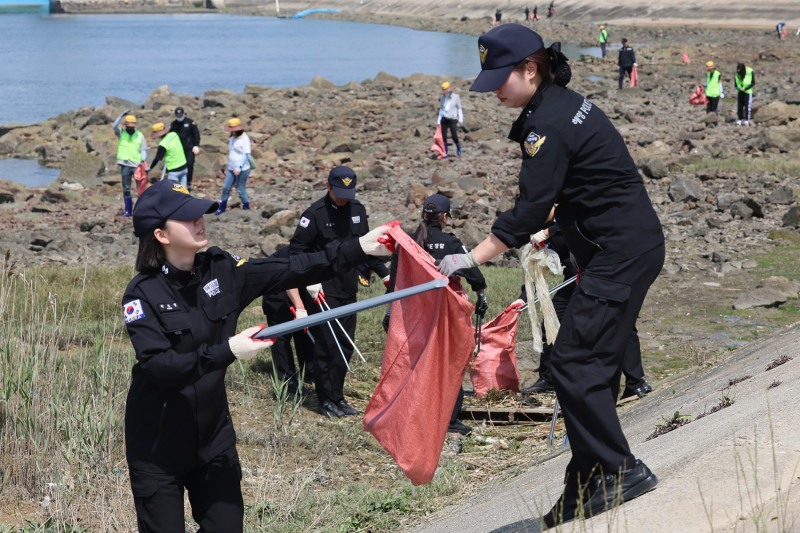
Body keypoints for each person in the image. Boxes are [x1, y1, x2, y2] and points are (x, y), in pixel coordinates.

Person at [437, 24, 664, 527]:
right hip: (626, 245)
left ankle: (619, 470)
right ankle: (587, 479)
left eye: (501, 78)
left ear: (530, 69)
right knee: (592, 367)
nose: (494, 88)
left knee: (573, 362)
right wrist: (556, 228)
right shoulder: (560, 103)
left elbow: (531, 207)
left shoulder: (548, 125)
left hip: (619, 254)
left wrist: (472, 257)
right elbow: (578, 188)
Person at [122, 179, 393, 531]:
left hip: (212, 439)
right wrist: (230, 349)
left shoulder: (221, 269)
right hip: (158, 445)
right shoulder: (141, 295)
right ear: (161, 235)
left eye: (200, 213)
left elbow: (292, 267)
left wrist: (360, 247)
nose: (200, 220)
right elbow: (160, 367)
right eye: (188, 218)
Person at [289, 166, 391, 418]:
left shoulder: (357, 210)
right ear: (328, 186)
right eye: (339, 192)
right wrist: (309, 279)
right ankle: (325, 399)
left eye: (349, 192)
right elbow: (296, 252)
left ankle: (338, 396)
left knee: (344, 344)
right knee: (326, 345)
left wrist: (385, 273)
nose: (344, 197)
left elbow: (366, 247)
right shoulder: (314, 214)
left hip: (347, 287)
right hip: (322, 289)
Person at [383, 193, 488, 435]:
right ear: (444, 216)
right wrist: (481, 293)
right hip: (445, 312)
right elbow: (471, 271)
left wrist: (390, 311)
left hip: (415, 312)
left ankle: (414, 414)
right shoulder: (451, 243)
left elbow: (395, 277)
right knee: (451, 362)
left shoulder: (408, 242)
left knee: (418, 362)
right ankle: (449, 421)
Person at [518, 224, 653, 400]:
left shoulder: (572, 213)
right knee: (552, 320)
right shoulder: (546, 228)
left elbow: (583, 224)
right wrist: (522, 299)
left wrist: (549, 232)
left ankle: (635, 382)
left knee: (621, 321)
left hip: (605, 275)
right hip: (574, 279)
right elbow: (537, 268)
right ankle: (549, 379)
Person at [261, 251, 315, 398]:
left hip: (299, 292)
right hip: (277, 296)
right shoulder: (293, 254)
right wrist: (299, 306)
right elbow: (289, 281)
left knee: (304, 333)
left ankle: (310, 373)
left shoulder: (318, 252)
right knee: (281, 339)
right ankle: (287, 379)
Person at [112, 111, 147, 217]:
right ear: (125, 125)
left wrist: (143, 161)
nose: (130, 128)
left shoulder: (140, 135)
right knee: (126, 188)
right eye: (129, 126)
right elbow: (114, 126)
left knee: (140, 189)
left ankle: (141, 210)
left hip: (136, 165)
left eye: (132, 126)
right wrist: (121, 115)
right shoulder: (121, 132)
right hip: (125, 164)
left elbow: (143, 150)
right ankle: (128, 211)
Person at [214, 117, 252, 215]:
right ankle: (221, 207)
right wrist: (227, 166)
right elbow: (231, 153)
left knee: (240, 188)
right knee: (226, 187)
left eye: (234, 130)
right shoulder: (232, 138)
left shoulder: (244, 139)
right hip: (231, 167)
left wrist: (239, 168)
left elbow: (246, 154)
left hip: (242, 168)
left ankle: (246, 206)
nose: (233, 132)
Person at [169, 106, 201, 191]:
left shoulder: (190, 122)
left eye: (180, 115)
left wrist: (196, 145)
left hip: (189, 148)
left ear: (183, 114)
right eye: (178, 115)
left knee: (189, 165)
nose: (179, 117)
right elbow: (170, 136)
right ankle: (179, 183)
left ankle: (188, 182)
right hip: (178, 149)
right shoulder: (173, 124)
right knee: (179, 166)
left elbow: (196, 134)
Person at [149, 122, 188, 187]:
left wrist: (149, 168)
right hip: (184, 167)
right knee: (184, 192)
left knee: (174, 193)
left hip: (174, 171)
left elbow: (157, 158)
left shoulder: (162, 144)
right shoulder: (174, 134)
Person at [438, 81, 464, 158]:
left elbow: (459, 108)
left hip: (453, 118)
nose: (445, 93)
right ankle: (445, 151)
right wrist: (438, 120)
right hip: (444, 118)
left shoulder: (456, 97)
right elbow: (442, 109)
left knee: (454, 135)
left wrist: (461, 119)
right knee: (443, 136)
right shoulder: (442, 98)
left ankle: (458, 147)